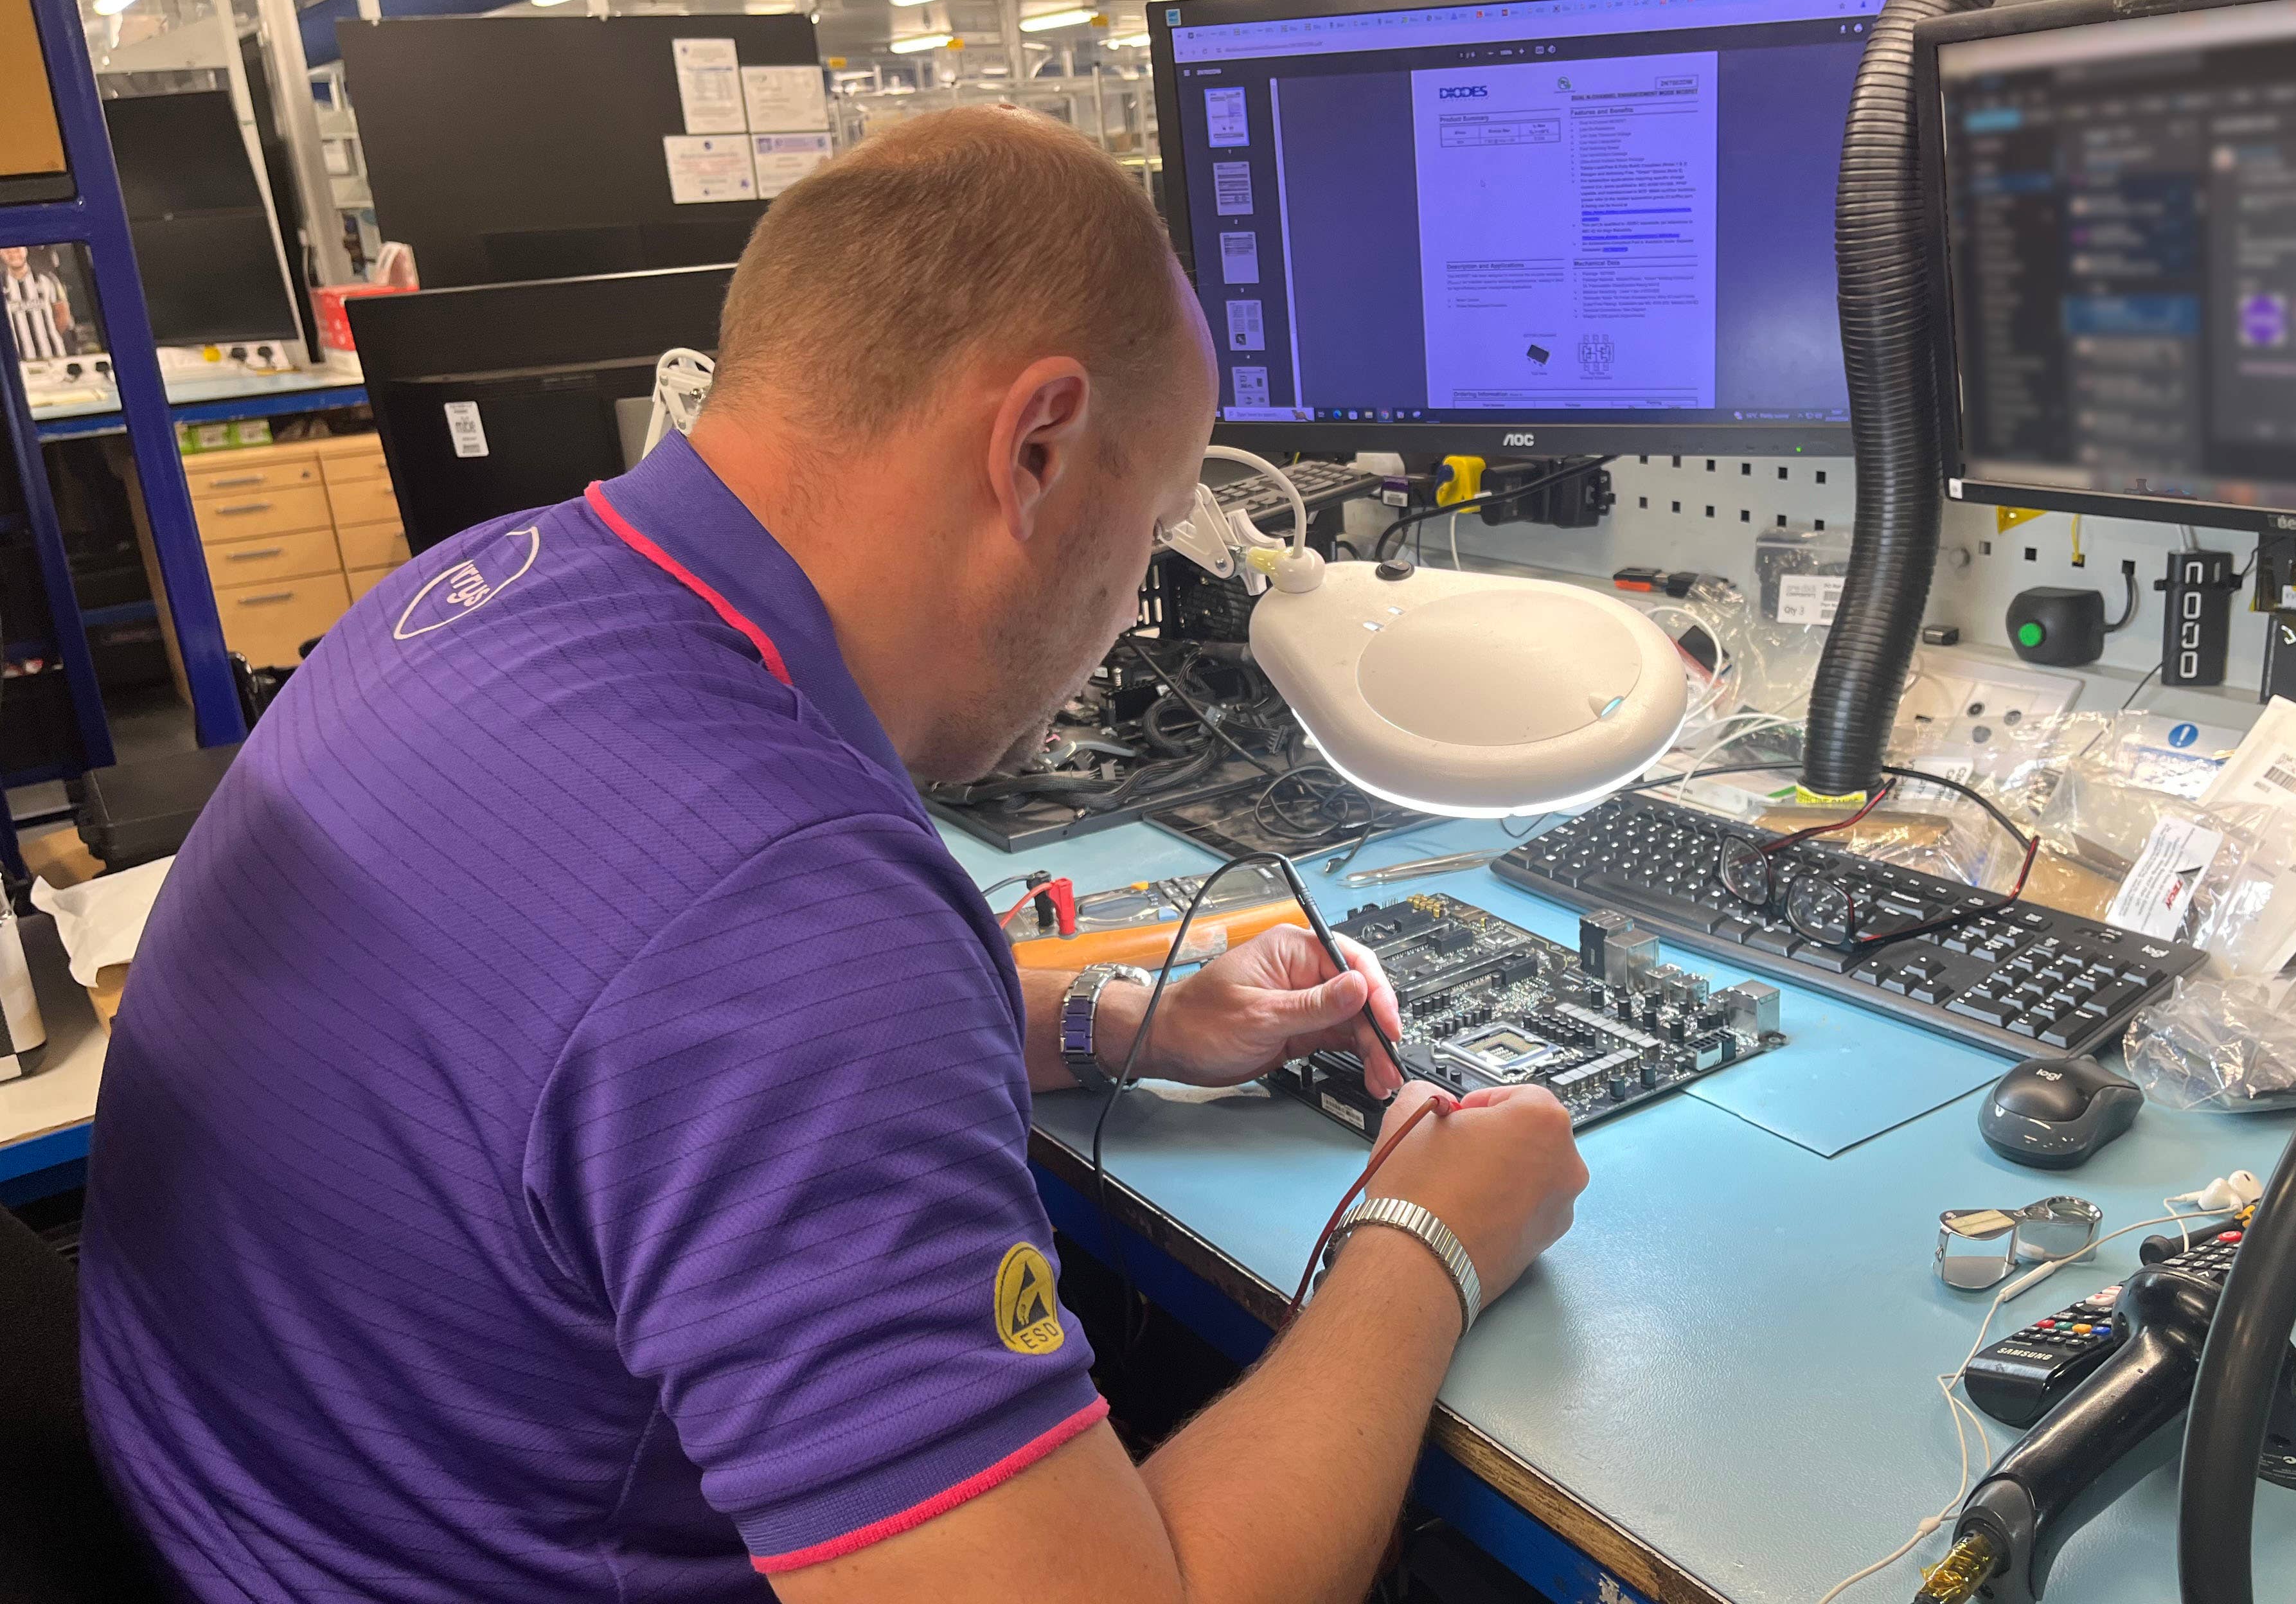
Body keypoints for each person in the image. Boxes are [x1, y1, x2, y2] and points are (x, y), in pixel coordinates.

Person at [80, 106, 1589, 1603]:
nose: (1136, 597)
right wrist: (1426, 1237)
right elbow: (742, 989)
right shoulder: (787, 909)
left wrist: (1114, 1020)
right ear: (1039, 450)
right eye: (1154, 525)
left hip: (242, 1523)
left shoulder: (483, 590)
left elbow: (614, 1060)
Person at [1, 246, 72, 364]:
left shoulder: (48, 279)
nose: (13, 254)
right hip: (18, 360)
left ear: (25, 250)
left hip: (54, 356)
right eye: (8, 251)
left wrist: (49, 335)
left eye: (17, 249)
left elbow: (62, 314)